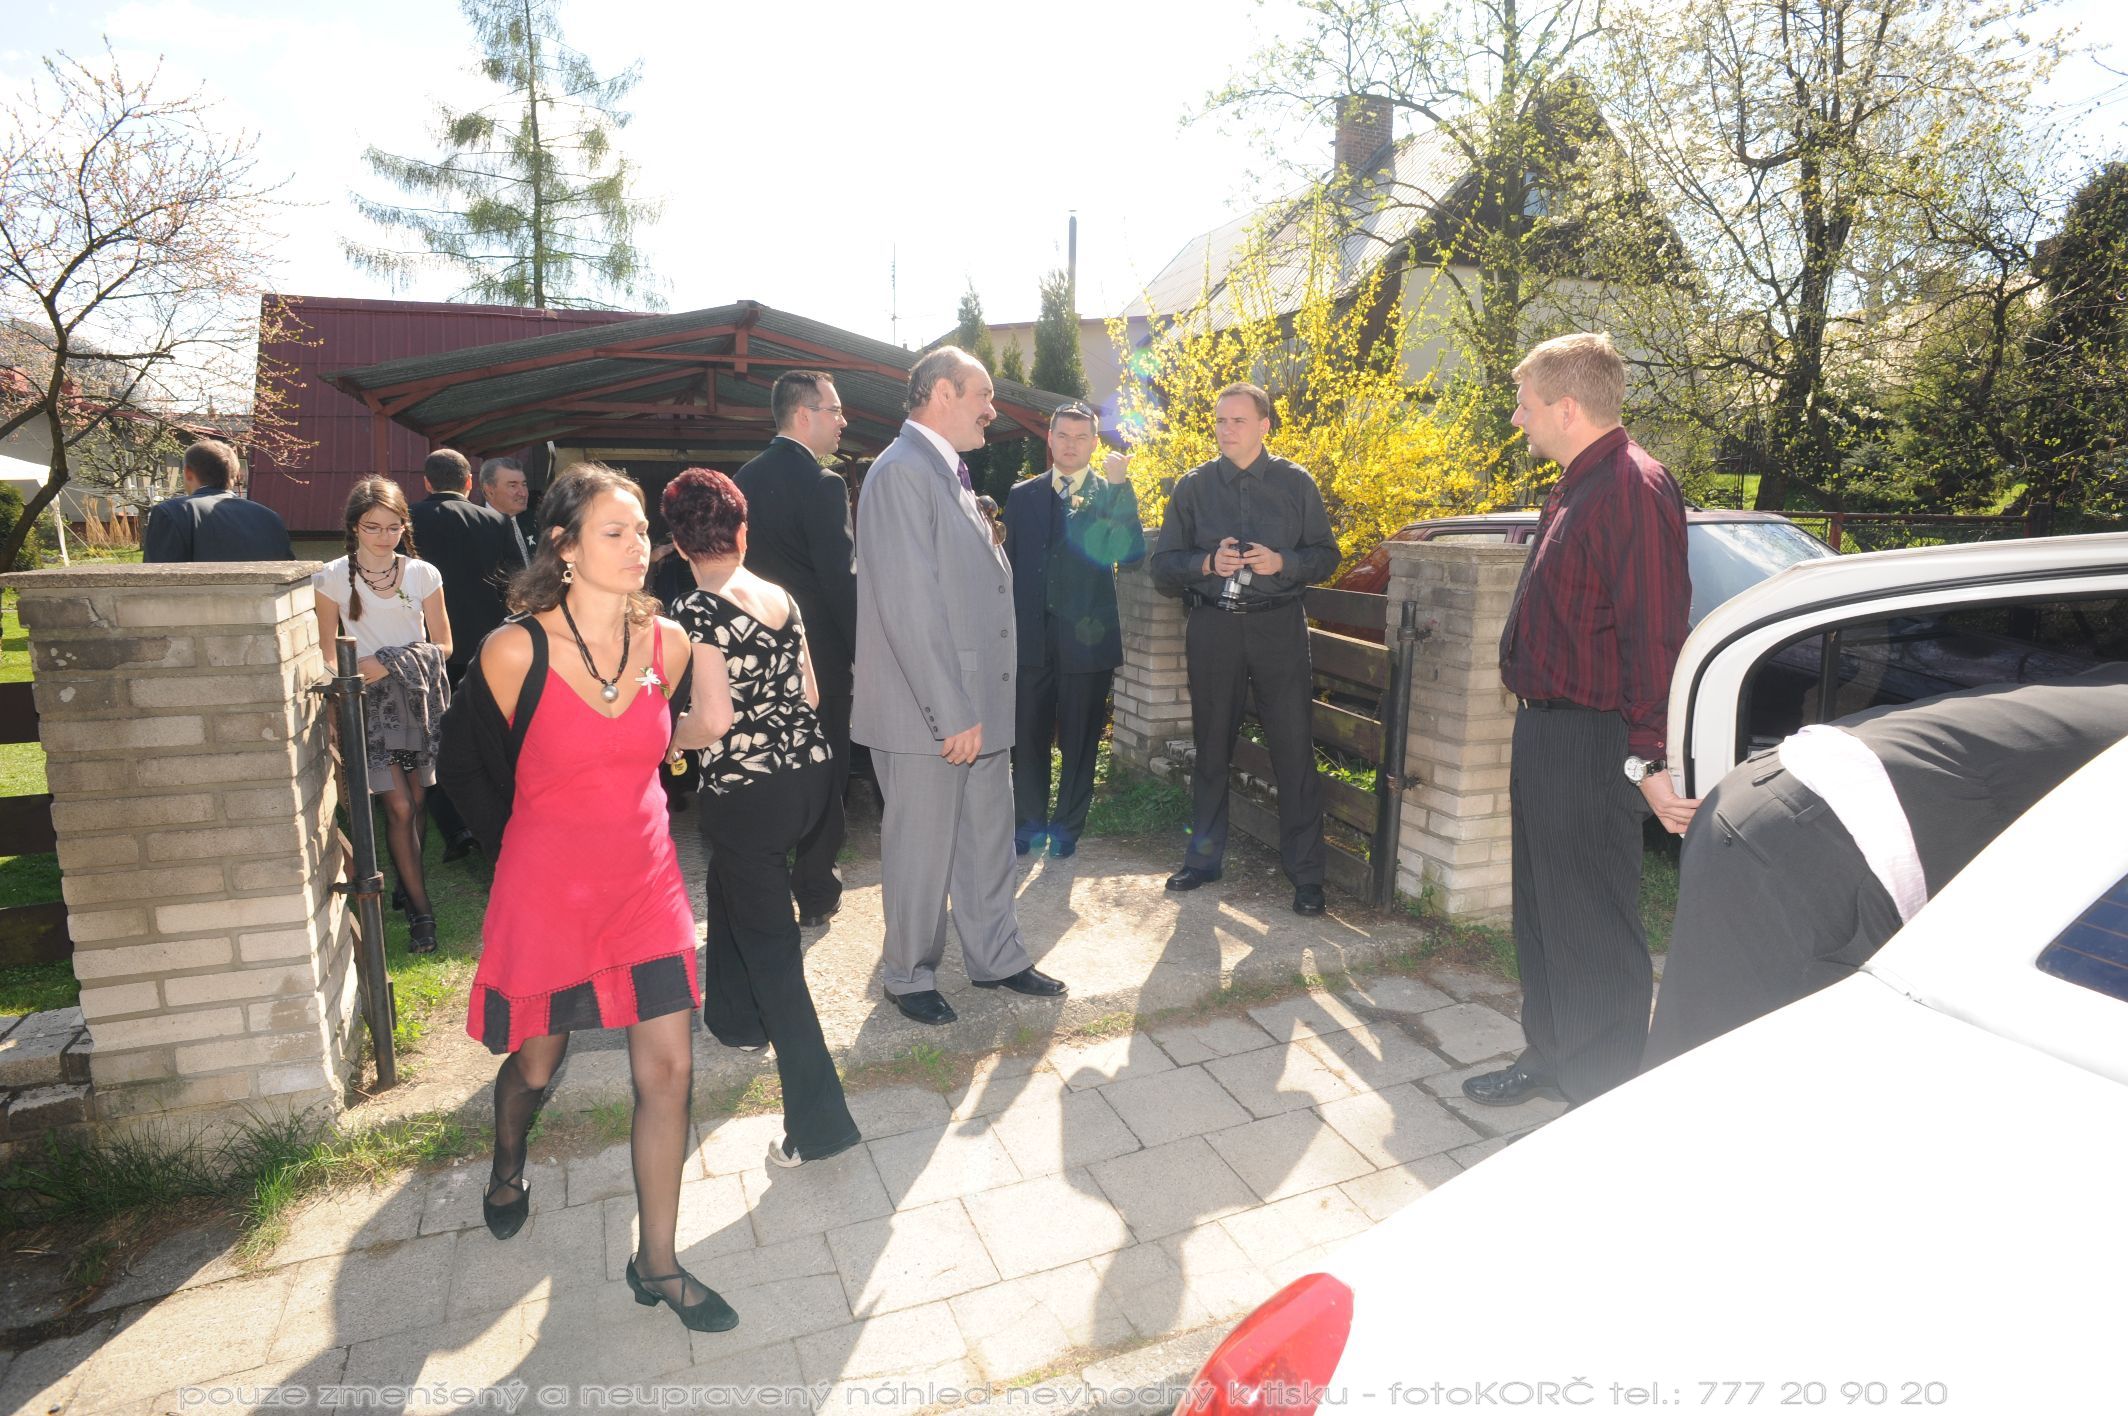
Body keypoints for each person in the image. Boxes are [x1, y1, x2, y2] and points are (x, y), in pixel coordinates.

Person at [436, 464, 735, 1334]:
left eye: (642, 529)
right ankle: (507, 1159)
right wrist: (518, 850)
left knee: (669, 1073)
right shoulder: (514, 651)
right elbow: (463, 766)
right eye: (615, 530)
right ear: (564, 546)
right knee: (537, 1064)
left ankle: (658, 1263)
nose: (639, 545)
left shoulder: (668, 644)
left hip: (646, 883)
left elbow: (665, 746)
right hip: (549, 891)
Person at [1643, 664, 2128, 1070]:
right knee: (1747, 1079)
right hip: (1833, 836)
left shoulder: (2106, 684)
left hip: (1773, 784)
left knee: (1696, 1048)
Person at [1463, 331, 1697, 1111]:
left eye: (1525, 404)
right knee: (1543, 910)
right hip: (1545, 731)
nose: (1517, 418)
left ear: (1567, 407)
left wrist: (1648, 759)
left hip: (1594, 740)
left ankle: (1600, 1095)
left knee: (1591, 918)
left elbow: (1653, 633)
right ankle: (1553, 1056)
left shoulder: (1633, 486)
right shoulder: (1576, 484)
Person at [852, 347, 1067, 1026]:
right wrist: (950, 711)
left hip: (976, 703)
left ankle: (996, 957)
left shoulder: (945, 471)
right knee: (920, 851)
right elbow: (909, 605)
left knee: (986, 841)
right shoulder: (901, 472)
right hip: (931, 712)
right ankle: (908, 973)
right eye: (983, 394)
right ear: (941, 392)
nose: (992, 410)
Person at [664, 467, 861, 1165]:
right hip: (812, 778)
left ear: (678, 544)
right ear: (742, 531)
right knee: (730, 882)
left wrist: (668, 738)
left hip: (749, 794)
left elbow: (713, 719)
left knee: (776, 953)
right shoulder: (780, 595)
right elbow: (809, 692)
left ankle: (820, 1125)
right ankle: (736, 1019)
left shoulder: (695, 609)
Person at [1149, 382, 1340, 916]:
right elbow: (1162, 568)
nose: (1226, 429)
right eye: (1220, 420)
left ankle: (1306, 876)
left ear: (1264, 425)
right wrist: (1205, 564)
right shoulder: (1193, 488)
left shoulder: (1295, 483)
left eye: (1237, 420)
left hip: (1278, 628)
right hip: (1213, 628)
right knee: (1211, 747)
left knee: (1293, 748)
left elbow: (1327, 555)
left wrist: (1285, 563)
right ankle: (1203, 861)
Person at [733, 371, 858, 928]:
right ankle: (815, 888)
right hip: (818, 656)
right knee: (824, 770)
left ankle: (761, 885)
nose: (843, 421)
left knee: (766, 768)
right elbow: (840, 581)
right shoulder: (823, 484)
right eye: (835, 410)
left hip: (755, 655)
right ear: (804, 415)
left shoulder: (744, 478)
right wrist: (863, 651)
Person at [312, 477, 452, 953]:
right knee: (400, 806)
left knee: (418, 802)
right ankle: (422, 914)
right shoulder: (332, 576)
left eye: (393, 527)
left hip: (415, 699)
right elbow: (325, 653)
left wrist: (390, 661)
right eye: (372, 527)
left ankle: (406, 887)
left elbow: (445, 644)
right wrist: (348, 687)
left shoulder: (423, 574)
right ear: (354, 526)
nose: (383, 536)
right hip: (367, 705)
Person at [1004, 403, 1145, 859]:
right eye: (1063, 435)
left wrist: (1120, 489)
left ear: (1094, 443)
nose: (1071, 445)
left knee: (1080, 740)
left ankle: (1066, 829)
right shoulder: (1022, 495)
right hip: (1031, 640)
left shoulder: (1110, 492)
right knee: (1028, 737)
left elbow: (1132, 553)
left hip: (1088, 644)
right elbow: (1009, 565)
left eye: (1081, 437)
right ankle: (1027, 825)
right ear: (1050, 438)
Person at [411, 449, 516, 862]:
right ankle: (493, 816)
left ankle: (455, 826)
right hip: (488, 647)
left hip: (429, 647)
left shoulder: (408, 520)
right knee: (488, 738)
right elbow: (513, 586)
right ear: (470, 482)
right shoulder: (496, 522)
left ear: (426, 482)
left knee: (436, 736)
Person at [142, 439, 293, 563]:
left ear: (188, 472)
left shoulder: (171, 513)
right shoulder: (270, 518)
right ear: (236, 475)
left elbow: (156, 581)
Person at [480, 456, 539, 568]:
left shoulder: (534, 520)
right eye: (513, 485)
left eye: (524, 485)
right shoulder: (475, 526)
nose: (523, 493)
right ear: (489, 490)